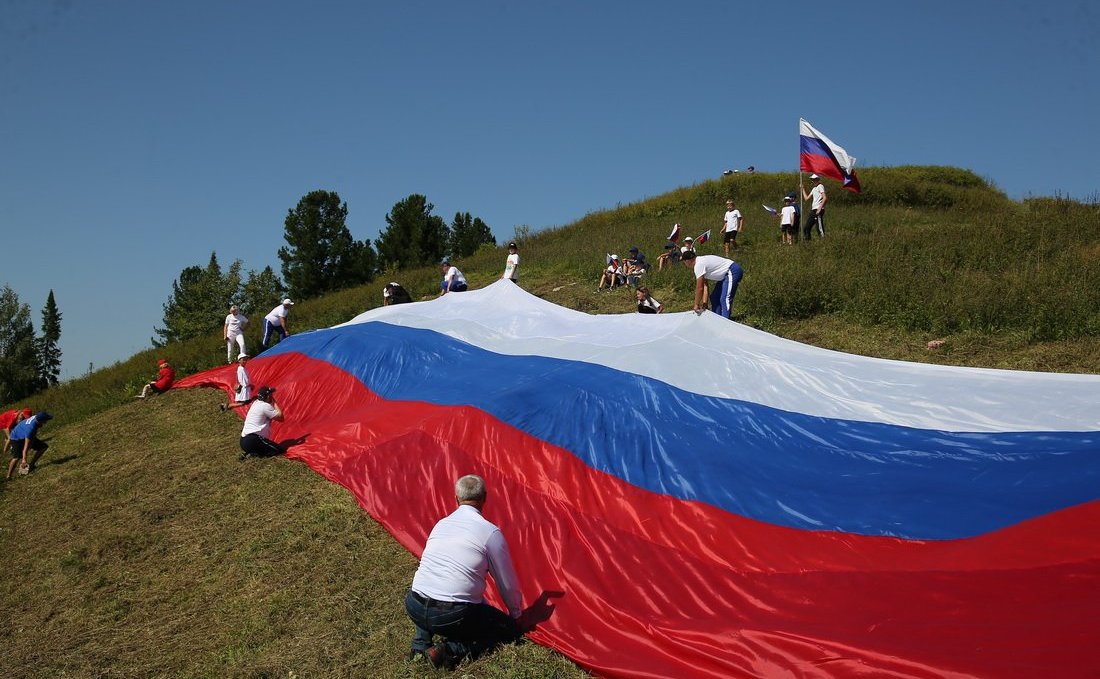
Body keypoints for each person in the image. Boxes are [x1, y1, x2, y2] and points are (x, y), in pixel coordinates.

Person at [405, 474, 523, 669]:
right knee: (506, 630)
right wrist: (516, 615)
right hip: (451, 615)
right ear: (484, 498)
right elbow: (506, 583)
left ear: (456, 498)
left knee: (431, 588)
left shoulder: (440, 524)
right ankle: (451, 649)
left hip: (414, 604)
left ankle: (420, 645)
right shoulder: (490, 533)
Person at [680, 250, 743, 319]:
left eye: (684, 262)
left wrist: (696, 304)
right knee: (714, 297)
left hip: (732, 271)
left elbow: (699, 288)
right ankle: (717, 319)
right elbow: (705, 286)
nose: (685, 265)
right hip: (724, 275)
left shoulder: (698, 265)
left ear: (687, 261)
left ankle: (726, 321)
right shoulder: (700, 262)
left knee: (724, 298)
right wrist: (705, 303)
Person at [239, 386, 285, 459]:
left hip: (243, 440)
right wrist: (274, 402)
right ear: (268, 397)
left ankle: (250, 452)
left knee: (267, 447)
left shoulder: (256, 403)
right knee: (279, 450)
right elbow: (281, 418)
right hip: (253, 439)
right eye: (271, 395)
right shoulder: (265, 406)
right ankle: (254, 454)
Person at [6, 411, 52, 479]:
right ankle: (8, 476)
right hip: (16, 438)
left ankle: (31, 465)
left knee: (43, 447)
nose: (46, 422)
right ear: (41, 421)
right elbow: (26, 446)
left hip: (25, 433)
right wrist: (24, 459)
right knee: (16, 457)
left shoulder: (36, 417)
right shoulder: (30, 429)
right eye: (45, 420)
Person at [801, 173, 827, 239]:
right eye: (812, 179)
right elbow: (806, 198)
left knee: (819, 228)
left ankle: (823, 240)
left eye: (814, 179)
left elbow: (825, 198)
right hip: (813, 210)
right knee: (806, 228)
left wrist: (820, 208)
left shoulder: (820, 186)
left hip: (818, 209)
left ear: (818, 179)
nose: (813, 181)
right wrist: (803, 189)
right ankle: (808, 242)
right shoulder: (814, 188)